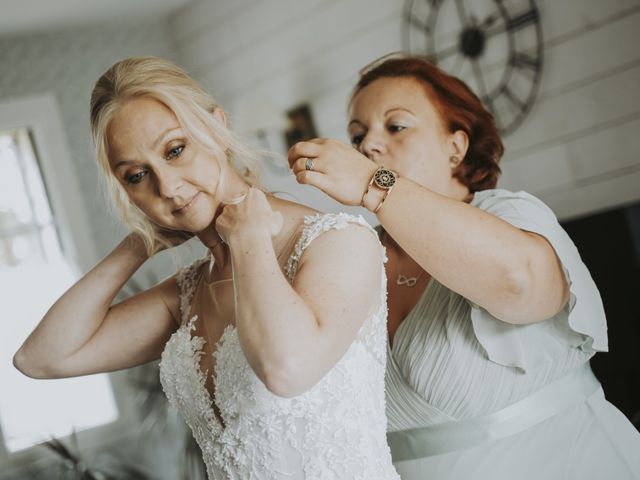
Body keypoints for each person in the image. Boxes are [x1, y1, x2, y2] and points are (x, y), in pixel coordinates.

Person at [13, 56, 400, 480]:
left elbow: (286, 368)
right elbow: (41, 358)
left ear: (216, 128)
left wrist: (249, 237)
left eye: (175, 151)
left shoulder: (337, 240)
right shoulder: (188, 292)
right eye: (137, 175)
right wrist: (140, 244)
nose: (168, 187)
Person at [288, 54, 640, 479]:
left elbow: (522, 285)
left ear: (455, 147)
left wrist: (371, 183)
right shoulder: (355, 252)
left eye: (395, 126)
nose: (368, 146)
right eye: (358, 135)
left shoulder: (508, 213)